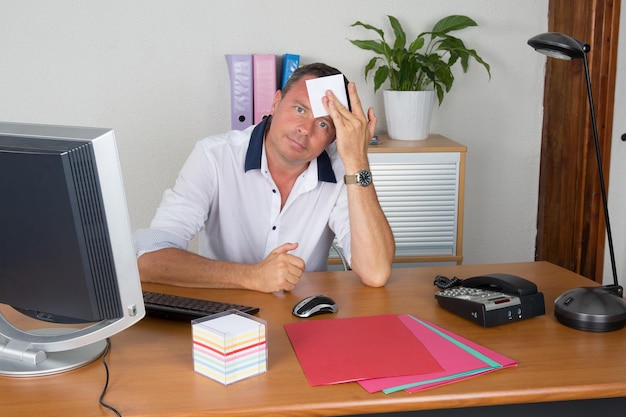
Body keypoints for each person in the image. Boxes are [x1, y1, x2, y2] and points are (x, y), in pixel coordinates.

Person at [133, 63, 395, 293]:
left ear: (335, 137)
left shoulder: (344, 173)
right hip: (220, 313)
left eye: (324, 124)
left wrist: (358, 161)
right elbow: (149, 260)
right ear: (276, 102)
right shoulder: (213, 157)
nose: (305, 129)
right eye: (300, 109)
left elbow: (375, 272)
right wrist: (253, 276)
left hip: (302, 317)